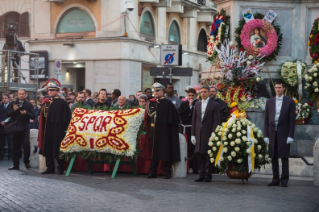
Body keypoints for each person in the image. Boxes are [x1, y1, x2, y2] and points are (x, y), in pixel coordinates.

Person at [145, 82, 180, 179]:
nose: (155, 92)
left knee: (166, 151)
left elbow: (173, 120)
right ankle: (153, 171)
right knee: (153, 152)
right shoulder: (151, 103)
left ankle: (167, 172)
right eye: (154, 91)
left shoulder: (168, 103)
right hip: (154, 130)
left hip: (165, 131)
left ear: (162, 91)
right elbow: (148, 118)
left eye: (157, 90)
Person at [264, 81, 295, 187]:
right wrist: (266, 135)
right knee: (274, 157)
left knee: (284, 157)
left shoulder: (290, 102)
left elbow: (292, 120)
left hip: (284, 133)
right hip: (272, 133)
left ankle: (284, 180)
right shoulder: (269, 102)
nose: (277, 89)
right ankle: (275, 179)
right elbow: (266, 120)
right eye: (276, 87)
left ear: (283, 89)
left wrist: (290, 135)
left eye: (279, 87)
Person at [38, 83, 72, 175]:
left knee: (58, 148)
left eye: (52, 90)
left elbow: (67, 117)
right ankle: (50, 167)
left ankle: (61, 167)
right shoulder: (46, 102)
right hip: (47, 128)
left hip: (58, 129)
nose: (50, 92)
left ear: (57, 91)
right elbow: (43, 116)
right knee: (48, 147)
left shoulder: (62, 103)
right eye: (49, 90)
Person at [191, 86, 220, 182]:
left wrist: (214, 133)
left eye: (205, 92)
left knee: (208, 154)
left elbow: (216, 121)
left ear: (209, 93)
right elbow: (194, 120)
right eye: (201, 92)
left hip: (208, 133)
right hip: (198, 133)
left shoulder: (214, 105)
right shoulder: (197, 104)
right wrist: (193, 134)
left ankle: (208, 175)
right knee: (199, 154)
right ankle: (201, 174)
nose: (202, 94)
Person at [7, 89, 35, 170]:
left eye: (23, 94)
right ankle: (15, 164)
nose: (21, 95)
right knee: (15, 146)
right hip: (16, 127)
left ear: (25, 95)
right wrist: (14, 110)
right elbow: (7, 114)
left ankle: (26, 162)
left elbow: (33, 116)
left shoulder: (29, 104)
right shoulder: (13, 103)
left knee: (26, 145)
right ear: (17, 95)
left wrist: (26, 113)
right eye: (20, 94)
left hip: (25, 127)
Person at [178, 88, 199, 174]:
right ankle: (186, 166)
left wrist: (192, 108)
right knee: (186, 147)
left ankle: (195, 167)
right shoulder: (184, 104)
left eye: (192, 96)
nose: (191, 97)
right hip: (185, 127)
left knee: (193, 147)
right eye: (189, 95)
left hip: (193, 128)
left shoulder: (198, 104)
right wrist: (189, 107)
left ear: (195, 96)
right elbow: (181, 114)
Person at [0, 94, 12, 160]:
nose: (4, 99)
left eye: (6, 98)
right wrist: (1, 121)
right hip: (1, 127)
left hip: (9, 126)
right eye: (3, 98)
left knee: (10, 142)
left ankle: (10, 156)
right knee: (1, 143)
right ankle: (1, 156)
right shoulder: (0, 106)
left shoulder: (11, 107)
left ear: (9, 99)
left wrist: (6, 122)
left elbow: (13, 116)